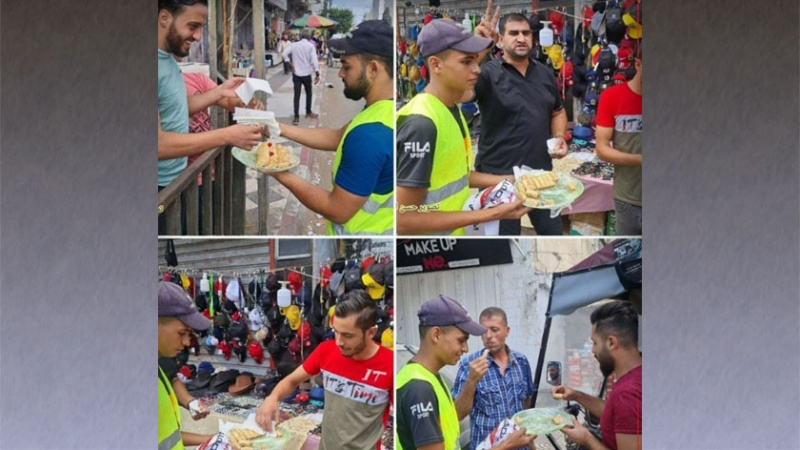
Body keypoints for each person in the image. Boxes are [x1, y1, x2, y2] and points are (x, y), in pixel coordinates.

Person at [396, 18, 531, 236]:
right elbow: (403, 219)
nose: (477, 69)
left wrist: (510, 180)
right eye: (466, 62)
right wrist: (494, 213)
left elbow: (456, 175)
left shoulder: (451, 108)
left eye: (476, 60)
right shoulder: (421, 125)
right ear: (436, 64)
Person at [262, 20, 394, 235]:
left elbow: (337, 210)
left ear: (373, 69)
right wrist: (278, 128)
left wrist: (278, 172)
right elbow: (337, 137)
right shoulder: (383, 112)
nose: (341, 74)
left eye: (346, 66)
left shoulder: (371, 134)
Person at [158, 0, 262, 232]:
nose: (197, 37)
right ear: (164, 18)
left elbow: (175, 107)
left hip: (177, 178)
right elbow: (158, 144)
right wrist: (227, 135)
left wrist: (216, 94)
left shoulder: (168, 60)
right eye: (192, 26)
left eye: (201, 29)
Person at [471, 7, 569, 236]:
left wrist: (559, 137)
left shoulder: (544, 73)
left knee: (552, 232)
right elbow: (455, 87)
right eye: (513, 33)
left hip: (541, 174)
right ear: (501, 39)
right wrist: (477, 51)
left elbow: (558, 111)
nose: (521, 38)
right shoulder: (485, 74)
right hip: (498, 176)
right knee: (504, 237)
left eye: (526, 33)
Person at [255, 290, 393, 450]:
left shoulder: (389, 363)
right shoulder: (326, 350)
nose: (339, 342)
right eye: (336, 332)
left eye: (348, 336)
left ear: (371, 333)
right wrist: (272, 398)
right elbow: (292, 380)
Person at [396, 295, 535, 450]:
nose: (465, 349)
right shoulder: (419, 388)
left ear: (507, 331)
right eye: (461, 340)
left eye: (494, 330)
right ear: (436, 335)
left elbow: (451, 421)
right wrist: (505, 445)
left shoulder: (432, 378)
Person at [553, 301, 642, 450]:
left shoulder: (627, 393)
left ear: (611, 343)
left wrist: (587, 438)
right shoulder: (635, 378)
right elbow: (615, 413)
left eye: (595, 343)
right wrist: (576, 395)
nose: (593, 351)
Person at [452, 307, 534, 448]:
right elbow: (457, 415)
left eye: (494, 329)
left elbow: (527, 404)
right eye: (483, 331)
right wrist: (472, 380)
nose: (488, 336)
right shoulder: (469, 366)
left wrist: (531, 444)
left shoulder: (521, 361)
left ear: (507, 331)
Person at [158, 281, 213, 450]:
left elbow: (166, 436)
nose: (187, 342)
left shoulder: (160, 364)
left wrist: (209, 439)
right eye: (181, 333)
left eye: (189, 334)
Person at [595, 49, 642, 236]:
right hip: (629, 199)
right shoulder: (612, 97)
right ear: (638, 64)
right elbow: (602, 148)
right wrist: (639, 159)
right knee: (629, 257)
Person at [283, 30, 320, 125]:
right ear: (310, 37)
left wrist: (290, 64)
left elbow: (284, 54)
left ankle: (296, 117)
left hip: (296, 74)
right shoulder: (311, 46)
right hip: (307, 74)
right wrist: (317, 73)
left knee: (297, 96)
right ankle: (308, 112)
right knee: (309, 93)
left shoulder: (294, 45)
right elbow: (314, 60)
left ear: (300, 36)